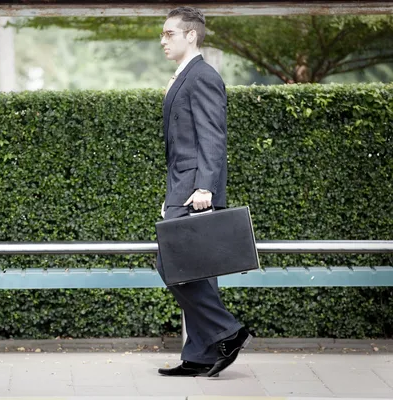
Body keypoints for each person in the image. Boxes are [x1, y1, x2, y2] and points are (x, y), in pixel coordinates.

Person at [157, 6, 251, 378]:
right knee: (194, 270)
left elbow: (213, 136)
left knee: (173, 266)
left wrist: (204, 188)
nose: (162, 40)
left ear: (190, 35)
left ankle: (228, 331)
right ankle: (199, 355)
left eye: (169, 34)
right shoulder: (185, 76)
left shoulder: (203, 76)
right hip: (182, 188)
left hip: (195, 191)